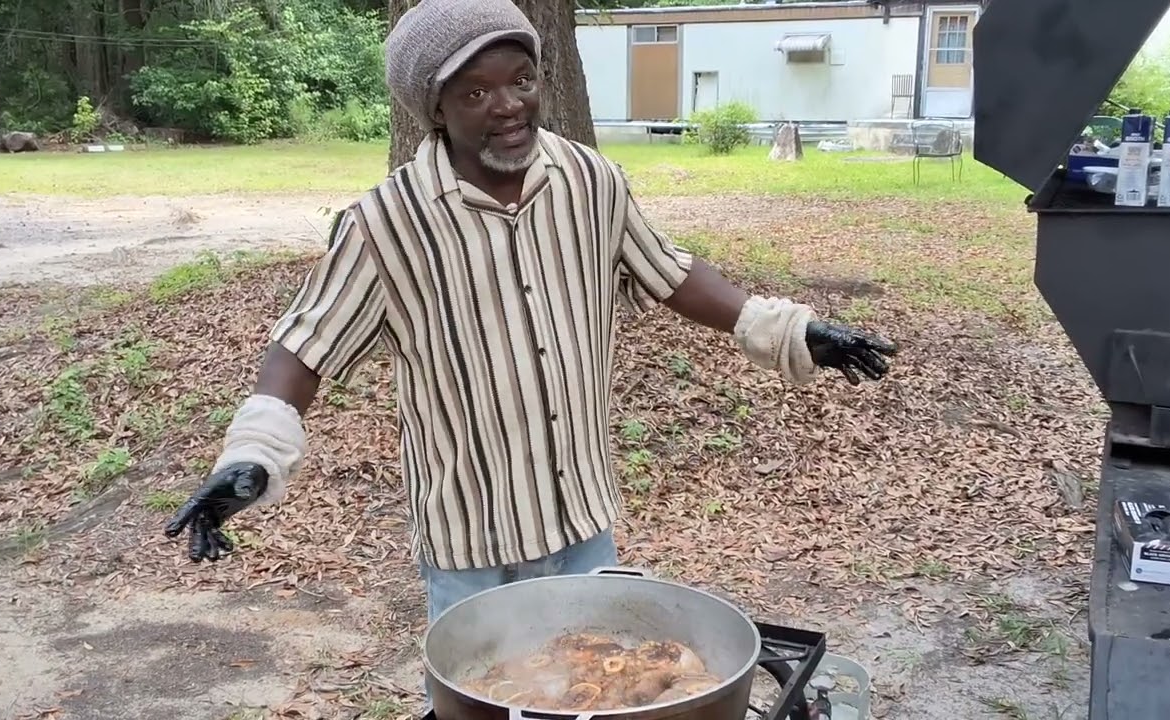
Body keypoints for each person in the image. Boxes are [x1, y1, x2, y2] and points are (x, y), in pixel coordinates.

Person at [165, 0, 897, 629]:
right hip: (470, 541)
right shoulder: (385, 225)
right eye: (476, 93)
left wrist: (789, 330)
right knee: (483, 700)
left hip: (583, 520)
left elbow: (670, 273)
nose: (509, 104)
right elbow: (305, 348)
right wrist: (253, 457)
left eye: (520, 79)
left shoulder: (589, 179)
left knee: (591, 684)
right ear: (437, 108)